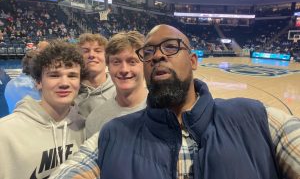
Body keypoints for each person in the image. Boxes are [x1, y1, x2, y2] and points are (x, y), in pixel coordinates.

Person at [50, 24, 300, 179]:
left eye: (170, 47)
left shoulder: (258, 119)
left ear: (193, 61)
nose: (157, 55)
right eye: (148, 52)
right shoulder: (111, 134)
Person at [49, 31, 147, 178]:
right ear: (108, 65)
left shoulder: (166, 109)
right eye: (116, 62)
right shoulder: (95, 119)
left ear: (145, 65)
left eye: (132, 61)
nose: (124, 69)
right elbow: (87, 163)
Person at [0, 41, 86, 179]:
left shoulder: (83, 126)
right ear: (38, 82)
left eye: (72, 75)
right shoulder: (5, 133)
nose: (64, 83)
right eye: (54, 75)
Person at [75, 33, 116, 118]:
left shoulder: (120, 89)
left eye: (98, 51)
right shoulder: (70, 92)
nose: (91, 55)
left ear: (107, 57)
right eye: (85, 51)